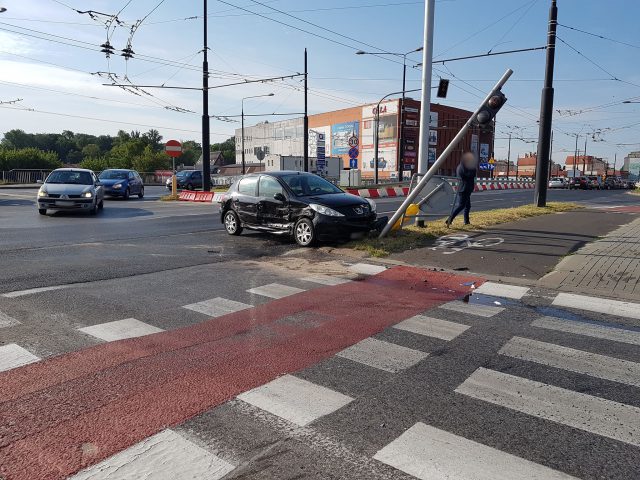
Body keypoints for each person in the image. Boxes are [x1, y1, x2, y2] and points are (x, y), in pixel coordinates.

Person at [445, 152, 478, 227]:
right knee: (461, 205)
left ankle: (466, 222)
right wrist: (474, 169)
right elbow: (469, 175)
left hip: (466, 188)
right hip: (464, 188)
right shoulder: (463, 166)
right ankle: (449, 220)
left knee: (467, 206)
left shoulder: (463, 166)